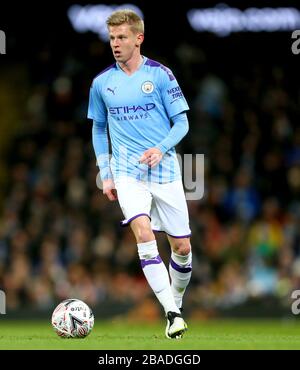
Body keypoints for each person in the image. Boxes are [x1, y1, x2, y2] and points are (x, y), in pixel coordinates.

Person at [88, 9, 192, 339]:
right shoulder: (102, 83)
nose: (115, 44)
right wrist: (106, 173)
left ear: (138, 38)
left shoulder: (161, 76)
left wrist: (160, 148)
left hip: (165, 172)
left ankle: (174, 302)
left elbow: (183, 123)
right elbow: (99, 127)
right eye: (112, 38)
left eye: (121, 38)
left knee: (183, 248)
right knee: (144, 234)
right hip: (126, 173)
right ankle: (172, 313)